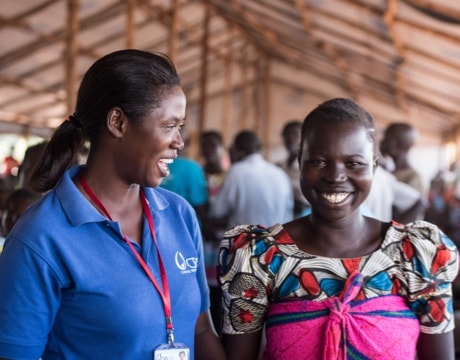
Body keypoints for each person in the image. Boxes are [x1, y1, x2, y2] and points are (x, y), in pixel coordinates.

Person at [0, 49, 224, 360]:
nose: (180, 142)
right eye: (169, 126)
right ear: (117, 122)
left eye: (180, 127)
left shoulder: (179, 214)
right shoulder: (39, 239)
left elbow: (200, 331)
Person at [217, 98, 459, 360]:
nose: (335, 176)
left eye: (353, 163)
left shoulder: (416, 254)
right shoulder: (259, 256)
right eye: (319, 161)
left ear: (374, 167)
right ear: (300, 162)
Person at [380, 122, 425, 197]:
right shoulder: (389, 172)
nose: (382, 142)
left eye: (386, 138)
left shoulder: (414, 178)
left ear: (397, 144)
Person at [277, 120, 310, 218]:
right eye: (287, 135)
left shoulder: (308, 166)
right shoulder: (279, 167)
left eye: (295, 134)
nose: (290, 138)